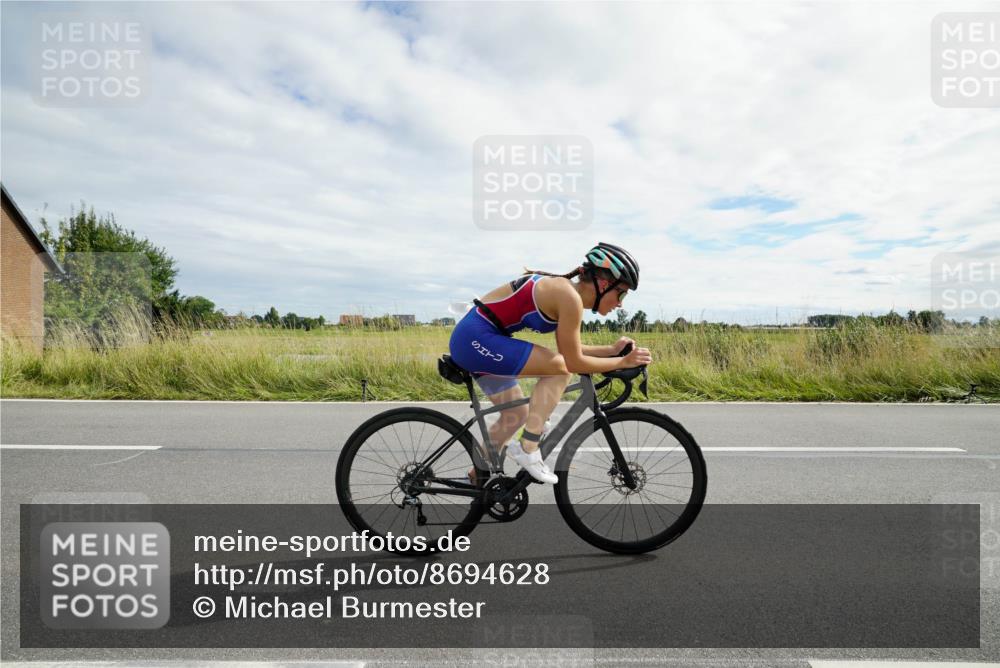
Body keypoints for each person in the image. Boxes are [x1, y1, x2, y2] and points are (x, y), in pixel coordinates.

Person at [448, 242, 652, 484]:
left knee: (515, 413)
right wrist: (623, 361)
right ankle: (529, 447)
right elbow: (572, 362)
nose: (620, 303)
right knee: (561, 369)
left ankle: (477, 480)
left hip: (476, 339)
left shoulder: (566, 294)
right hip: (476, 338)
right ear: (605, 285)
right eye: (622, 293)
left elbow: (570, 350)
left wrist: (611, 351)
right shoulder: (569, 298)